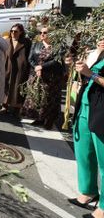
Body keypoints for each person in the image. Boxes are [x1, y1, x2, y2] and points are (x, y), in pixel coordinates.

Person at [68, 39, 104, 218]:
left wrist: (91, 74)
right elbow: (86, 76)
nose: (102, 40)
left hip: (102, 112)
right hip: (85, 107)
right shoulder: (97, 53)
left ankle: (103, 208)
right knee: (84, 152)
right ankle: (88, 191)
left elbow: (93, 76)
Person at [21, 26, 64, 129]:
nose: (42, 34)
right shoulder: (36, 44)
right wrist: (36, 67)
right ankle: (39, 118)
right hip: (36, 75)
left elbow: (57, 61)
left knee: (50, 98)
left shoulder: (59, 46)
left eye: (45, 32)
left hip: (52, 77)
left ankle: (49, 119)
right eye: (41, 32)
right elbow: (30, 58)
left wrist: (42, 67)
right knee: (38, 97)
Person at [2, 24, 31, 116]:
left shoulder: (26, 42)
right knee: (6, 85)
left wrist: (26, 66)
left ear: (21, 32)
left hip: (20, 68)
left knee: (18, 87)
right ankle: (4, 105)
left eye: (16, 31)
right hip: (7, 67)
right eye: (12, 31)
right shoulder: (6, 41)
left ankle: (17, 108)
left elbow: (29, 55)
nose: (13, 33)